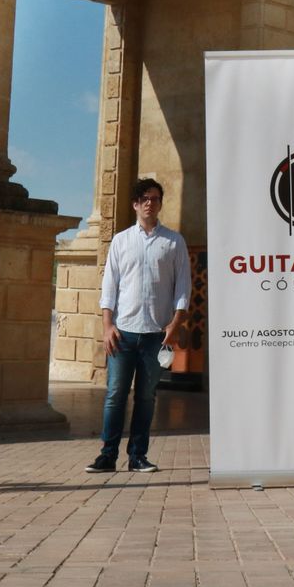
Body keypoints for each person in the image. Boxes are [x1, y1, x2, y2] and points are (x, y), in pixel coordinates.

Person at [86, 178, 191, 474]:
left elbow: (183, 287)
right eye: (144, 198)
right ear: (135, 204)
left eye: (155, 198)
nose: (149, 203)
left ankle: (138, 456)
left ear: (160, 204)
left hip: (156, 334)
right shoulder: (120, 241)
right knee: (115, 395)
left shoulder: (174, 242)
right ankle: (107, 455)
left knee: (146, 397)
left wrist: (175, 323)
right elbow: (110, 286)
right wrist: (107, 326)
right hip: (123, 332)